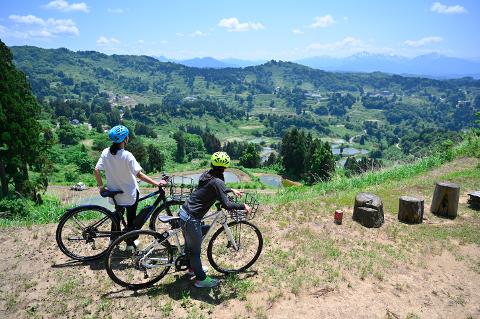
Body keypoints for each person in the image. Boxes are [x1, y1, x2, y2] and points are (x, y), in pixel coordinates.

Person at [179, 151, 251, 288]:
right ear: (225, 167)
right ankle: (201, 280)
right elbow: (227, 205)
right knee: (195, 251)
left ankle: (191, 268)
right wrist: (243, 206)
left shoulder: (207, 175)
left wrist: (230, 190)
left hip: (184, 212)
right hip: (191, 218)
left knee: (193, 242)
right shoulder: (218, 181)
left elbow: (214, 188)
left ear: (212, 164)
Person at [94, 125, 165, 249]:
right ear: (125, 139)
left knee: (116, 216)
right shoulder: (127, 155)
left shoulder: (106, 152)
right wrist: (156, 183)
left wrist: (101, 187)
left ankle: (113, 241)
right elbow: (139, 175)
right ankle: (130, 244)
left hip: (114, 192)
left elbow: (96, 170)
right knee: (131, 218)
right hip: (129, 194)